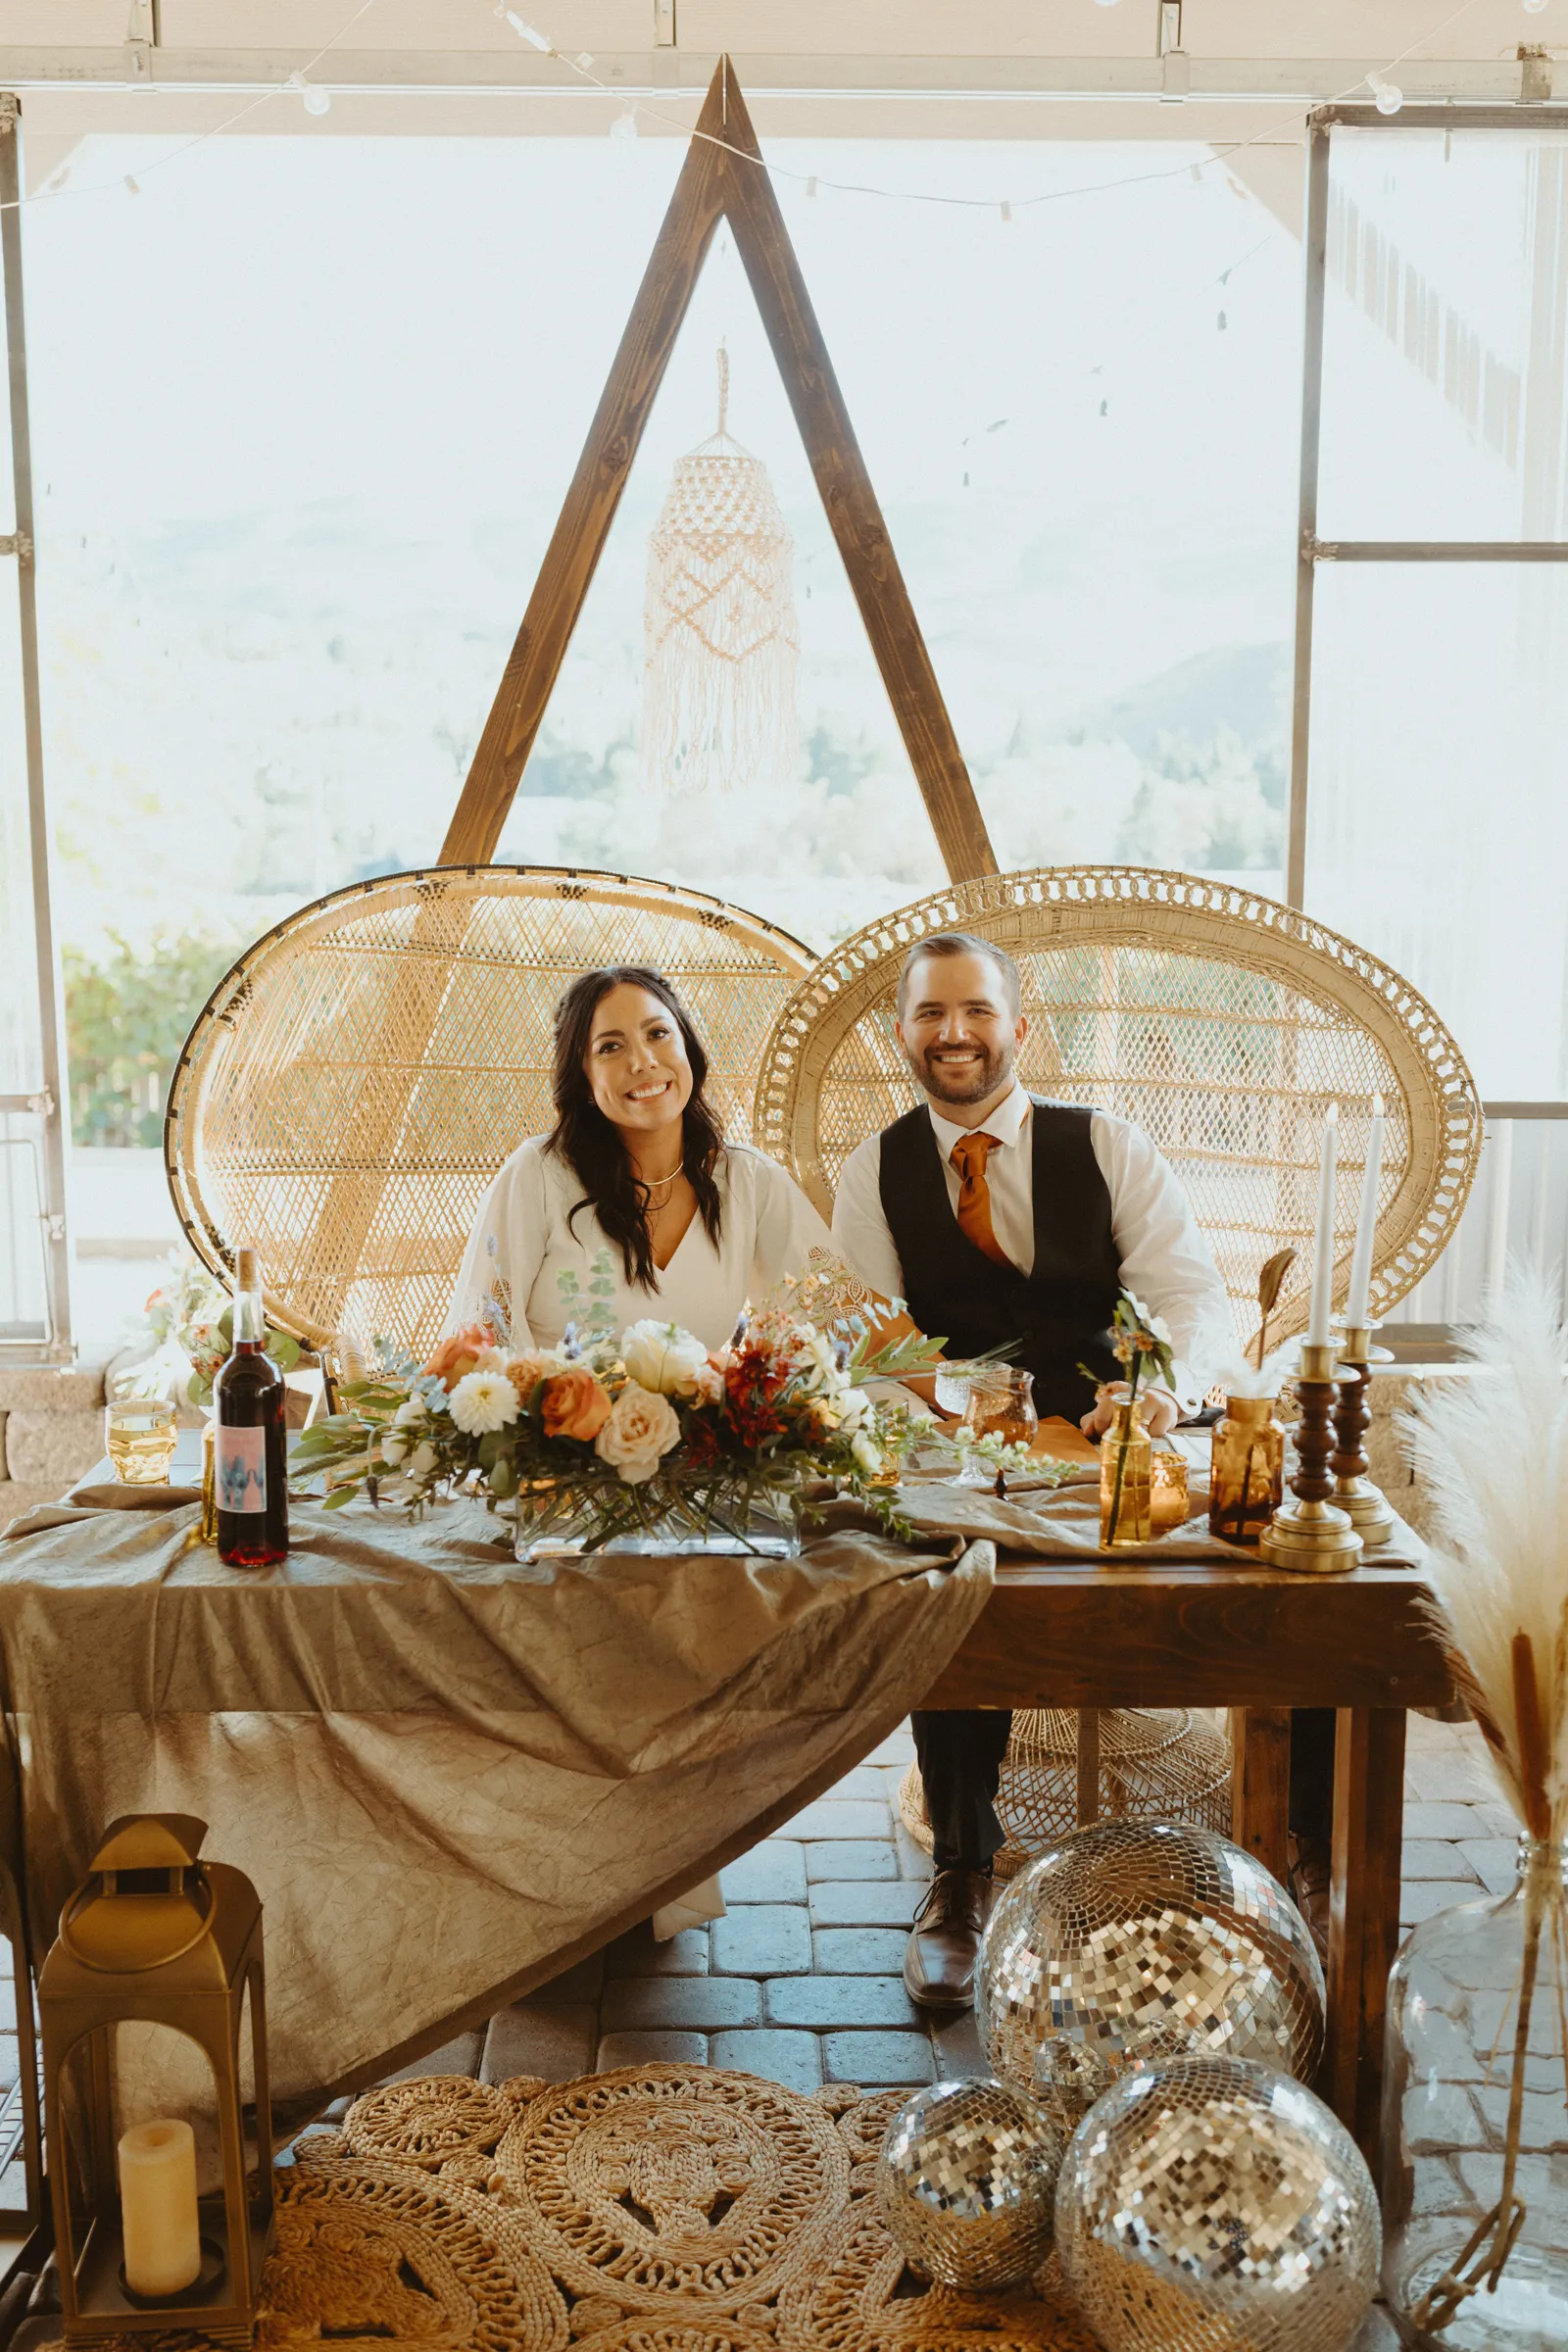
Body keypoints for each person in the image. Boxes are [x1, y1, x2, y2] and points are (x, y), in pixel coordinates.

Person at [831, 930, 1237, 2011]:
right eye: (929, 1015)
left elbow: (1192, 1296)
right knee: (953, 1589)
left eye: (975, 1012)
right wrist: (948, 1416)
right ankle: (961, 1873)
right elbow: (869, 1341)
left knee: (1256, 1585)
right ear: (902, 1033)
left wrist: (1158, 1385)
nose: (953, 1034)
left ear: (1020, 1027)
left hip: (1111, 1452)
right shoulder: (872, 1171)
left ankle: (1274, 1854)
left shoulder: (1103, 1144)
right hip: (962, 1457)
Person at [449, 962, 832, 1354]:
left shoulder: (749, 1179)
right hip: (552, 1414)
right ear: (584, 1080)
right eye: (610, 1047)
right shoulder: (537, 1176)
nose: (643, 1061)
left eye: (658, 1033)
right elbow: (479, 1348)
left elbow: (848, 1325)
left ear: (688, 1049)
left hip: (697, 1417)